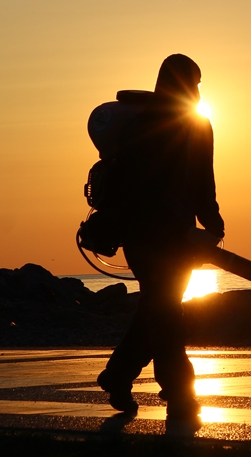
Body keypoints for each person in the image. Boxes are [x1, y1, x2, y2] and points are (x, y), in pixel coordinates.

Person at [96, 54, 224, 422]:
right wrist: (213, 224)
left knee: (157, 309)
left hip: (144, 237)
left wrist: (207, 223)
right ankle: (179, 393)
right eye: (194, 82)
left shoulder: (141, 123)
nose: (197, 90)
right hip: (169, 237)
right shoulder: (196, 124)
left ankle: (117, 376)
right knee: (166, 312)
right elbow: (203, 180)